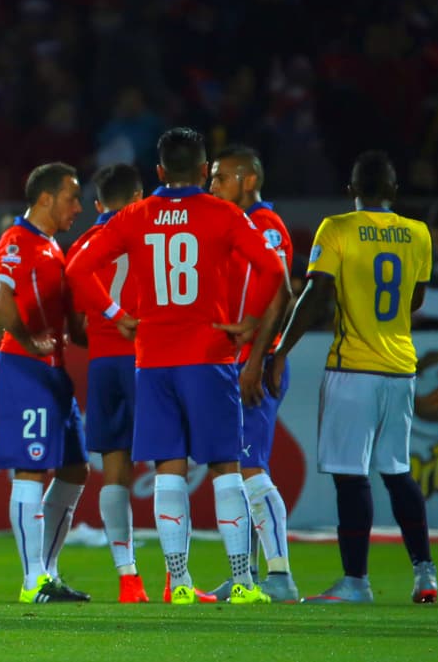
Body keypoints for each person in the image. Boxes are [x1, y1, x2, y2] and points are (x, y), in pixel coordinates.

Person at [66, 127, 286, 606]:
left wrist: (115, 314)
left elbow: (77, 268)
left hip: (153, 362)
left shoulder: (135, 215)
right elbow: (274, 269)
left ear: (159, 170)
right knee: (225, 466)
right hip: (208, 358)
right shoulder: (223, 213)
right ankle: (242, 581)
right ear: (205, 170)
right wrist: (250, 321)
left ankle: (180, 582)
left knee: (168, 467)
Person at [269, 150, 438, 604]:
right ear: (394, 190)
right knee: (397, 471)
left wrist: (280, 350)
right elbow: (415, 299)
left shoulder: (337, 228)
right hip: (401, 367)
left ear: (351, 191)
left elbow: (316, 294)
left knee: (350, 475)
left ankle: (356, 582)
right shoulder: (418, 233)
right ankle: (425, 572)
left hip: (354, 366)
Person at [0, 163, 93, 604]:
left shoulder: (53, 247)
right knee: (31, 468)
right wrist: (26, 338)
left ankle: (47, 572)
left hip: (54, 372)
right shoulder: (17, 241)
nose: (78, 207)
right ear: (46, 198)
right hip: (24, 368)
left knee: (75, 469)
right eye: (72, 197)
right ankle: (33, 580)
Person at [207, 145, 299, 603]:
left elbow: (282, 295)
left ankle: (280, 576)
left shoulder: (266, 226)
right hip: (234, 360)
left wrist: (260, 359)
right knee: (236, 468)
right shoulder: (234, 225)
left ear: (248, 180)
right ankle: (245, 574)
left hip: (252, 362)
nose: (212, 186)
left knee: (249, 467)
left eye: (220, 178)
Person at [64, 162, 149, 604]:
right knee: (169, 462)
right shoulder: (148, 234)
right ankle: (178, 579)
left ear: (98, 204)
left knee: (114, 467)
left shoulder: (83, 243)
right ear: (138, 198)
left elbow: (75, 320)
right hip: (146, 358)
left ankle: (127, 577)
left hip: (102, 362)